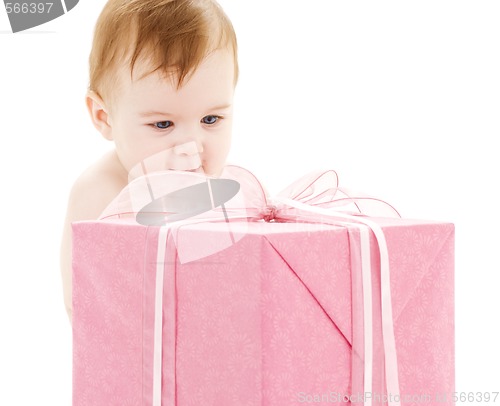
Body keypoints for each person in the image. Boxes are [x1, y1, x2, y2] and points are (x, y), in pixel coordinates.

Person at [60, 0, 238, 324]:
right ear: (104, 117)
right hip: (132, 355)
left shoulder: (225, 190)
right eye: (162, 125)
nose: (190, 148)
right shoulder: (101, 194)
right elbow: (81, 300)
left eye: (211, 119)